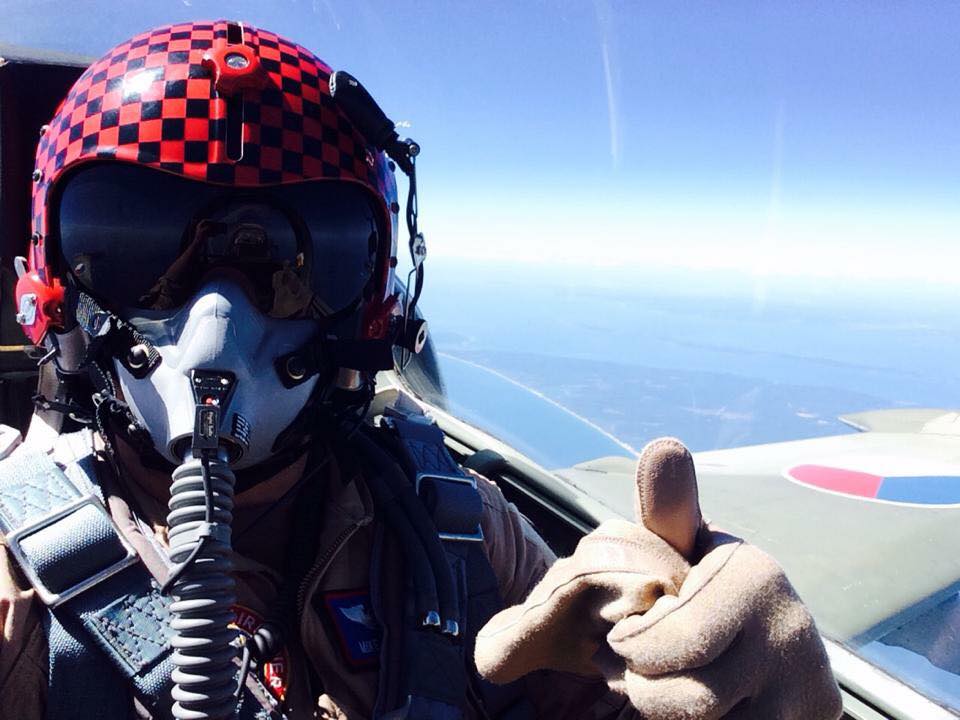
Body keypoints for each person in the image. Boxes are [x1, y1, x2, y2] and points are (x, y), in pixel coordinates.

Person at [0, 20, 842, 720]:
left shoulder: (455, 528)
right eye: (140, 246)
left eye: (300, 260)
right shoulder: (15, 584)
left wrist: (727, 682)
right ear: (55, 288)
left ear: (366, 304)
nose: (217, 317)